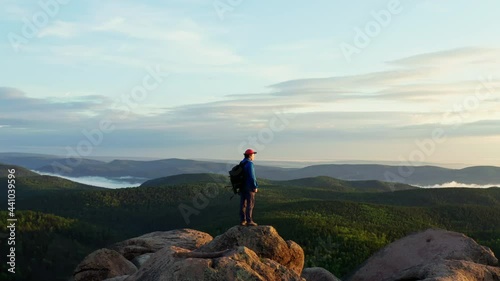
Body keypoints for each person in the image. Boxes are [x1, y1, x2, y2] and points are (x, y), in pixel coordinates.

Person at [239, 148, 259, 226]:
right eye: (253, 154)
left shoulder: (242, 162)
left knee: (243, 204)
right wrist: (255, 186)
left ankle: (242, 220)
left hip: (242, 186)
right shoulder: (250, 164)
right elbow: (252, 176)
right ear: (250, 155)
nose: (254, 156)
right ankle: (249, 220)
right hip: (249, 187)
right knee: (250, 204)